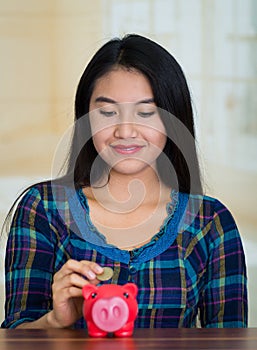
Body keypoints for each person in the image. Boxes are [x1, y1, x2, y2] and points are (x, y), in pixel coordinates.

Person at [1, 34, 247, 329]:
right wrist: (55, 321)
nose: (126, 131)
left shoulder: (210, 222)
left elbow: (230, 341)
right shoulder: (44, 208)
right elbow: (14, 337)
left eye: (145, 112)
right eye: (107, 112)